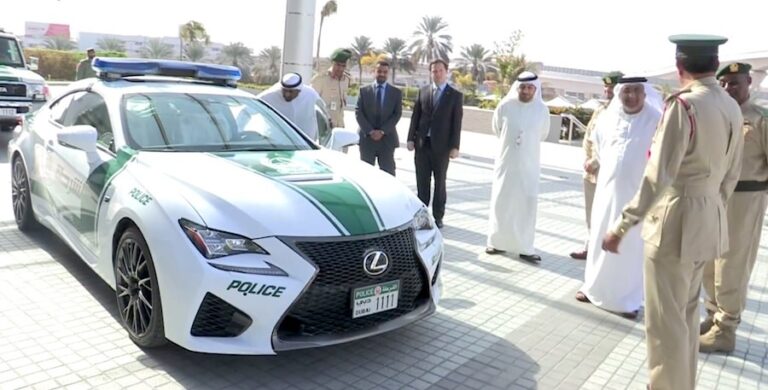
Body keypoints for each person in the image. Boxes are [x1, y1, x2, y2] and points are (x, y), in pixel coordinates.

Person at [602, 35, 743, 390]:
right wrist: (712, 207)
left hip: (675, 221)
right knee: (687, 314)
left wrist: (622, 225)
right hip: (708, 218)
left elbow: (658, 176)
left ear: (680, 66)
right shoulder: (731, 105)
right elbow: (732, 174)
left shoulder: (684, 105)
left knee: (666, 322)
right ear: (715, 64)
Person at [575, 77, 662, 318]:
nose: (631, 96)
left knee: (631, 247)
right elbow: (600, 149)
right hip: (606, 193)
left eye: (636, 90)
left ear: (645, 93)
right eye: (626, 90)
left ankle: (628, 300)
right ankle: (592, 288)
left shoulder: (656, 121)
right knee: (599, 238)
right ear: (619, 92)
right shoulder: (607, 118)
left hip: (638, 198)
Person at [700, 62, 768, 353]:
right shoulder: (716, 114)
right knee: (709, 260)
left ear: (749, 82)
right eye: (724, 83)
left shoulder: (761, 119)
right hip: (713, 196)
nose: (729, 88)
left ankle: (726, 329)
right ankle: (713, 315)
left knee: (732, 264)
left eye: (735, 83)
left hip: (745, 199)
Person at [485, 72, 550, 262]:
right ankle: (497, 243)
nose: (526, 91)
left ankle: (525, 248)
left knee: (526, 206)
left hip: (529, 166)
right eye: (523, 87)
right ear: (517, 88)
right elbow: (497, 128)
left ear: (535, 89)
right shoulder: (505, 106)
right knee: (502, 202)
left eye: (530, 88)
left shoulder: (542, 110)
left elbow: (543, 134)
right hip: (506, 163)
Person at [570, 71, 623, 260]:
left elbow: (613, 142)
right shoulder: (601, 109)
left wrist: (595, 161)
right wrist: (587, 159)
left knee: (606, 212)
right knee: (591, 212)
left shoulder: (622, 112)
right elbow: (589, 136)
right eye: (606, 87)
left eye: (612, 87)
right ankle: (590, 246)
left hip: (606, 171)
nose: (607, 91)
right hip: (590, 171)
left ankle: (603, 251)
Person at [406, 59, 463, 229]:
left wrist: (455, 147)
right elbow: (415, 117)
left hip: (442, 147)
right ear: (430, 73)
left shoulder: (455, 96)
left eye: (440, 71)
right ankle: (422, 215)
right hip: (422, 144)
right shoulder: (423, 92)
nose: (437, 74)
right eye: (434, 71)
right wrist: (410, 138)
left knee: (440, 183)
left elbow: (456, 124)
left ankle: (438, 216)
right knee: (422, 181)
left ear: (446, 72)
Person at [355, 60, 403, 175]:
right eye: (379, 71)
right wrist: (370, 131)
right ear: (374, 71)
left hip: (387, 140)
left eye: (385, 72)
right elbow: (358, 112)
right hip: (367, 139)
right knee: (365, 174)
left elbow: (397, 114)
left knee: (388, 175)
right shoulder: (364, 91)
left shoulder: (396, 93)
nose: (382, 74)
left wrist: (382, 131)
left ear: (388, 73)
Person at [257, 72, 321, 140]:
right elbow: (251, 107)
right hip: (276, 140)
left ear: (299, 90)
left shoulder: (311, 95)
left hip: (305, 140)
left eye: (291, 91)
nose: (287, 94)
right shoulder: (270, 95)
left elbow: (321, 113)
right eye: (284, 90)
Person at [312, 48, 352, 128]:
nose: (340, 69)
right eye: (338, 65)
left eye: (343, 66)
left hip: (339, 125)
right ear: (332, 63)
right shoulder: (321, 79)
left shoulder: (347, 80)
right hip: (323, 126)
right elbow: (312, 102)